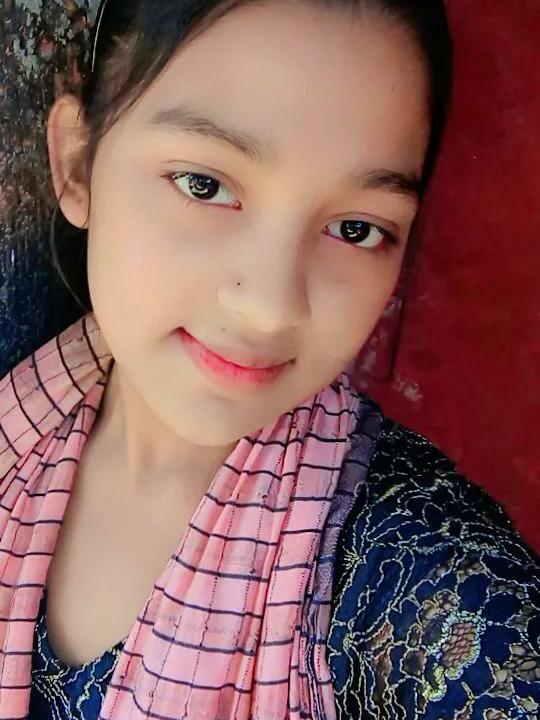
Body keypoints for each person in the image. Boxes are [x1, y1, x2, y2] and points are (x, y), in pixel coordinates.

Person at [0, 0, 538, 718]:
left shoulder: (414, 570)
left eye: (357, 228)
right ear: (77, 164)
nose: (271, 306)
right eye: (205, 185)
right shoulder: (20, 429)